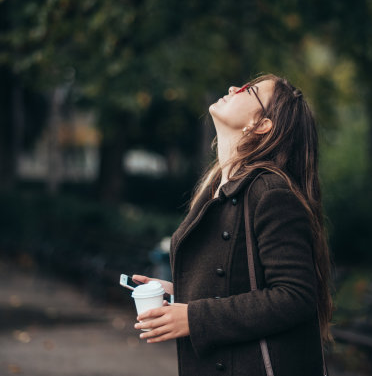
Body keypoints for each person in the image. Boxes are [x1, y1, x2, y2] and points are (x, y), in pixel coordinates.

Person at [132, 74, 332, 376]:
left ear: (261, 125)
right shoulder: (219, 188)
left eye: (247, 91)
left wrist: (195, 318)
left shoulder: (270, 191)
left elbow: (295, 295)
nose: (231, 89)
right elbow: (237, 280)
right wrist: (180, 293)